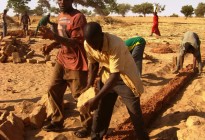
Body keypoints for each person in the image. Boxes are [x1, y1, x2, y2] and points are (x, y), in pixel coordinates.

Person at [82, 22, 150, 140]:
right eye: (90, 43)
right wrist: (88, 85)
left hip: (125, 78)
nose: (93, 47)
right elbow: (93, 65)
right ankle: (96, 136)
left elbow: (115, 77)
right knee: (101, 110)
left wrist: (96, 98)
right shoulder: (87, 43)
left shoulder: (115, 44)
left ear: (101, 35)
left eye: (95, 43)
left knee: (134, 112)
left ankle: (142, 137)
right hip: (107, 76)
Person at [39, 0, 88, 132]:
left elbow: (74, 43)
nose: (61, 1)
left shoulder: (78, 18)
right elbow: (62, 38)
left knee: (80, 95)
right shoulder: (61, 16)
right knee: (53, 89)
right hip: (62, 58)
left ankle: (87, 126)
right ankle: (57, 121)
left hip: (76, 60)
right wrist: (51, 45)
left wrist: (53, 36)